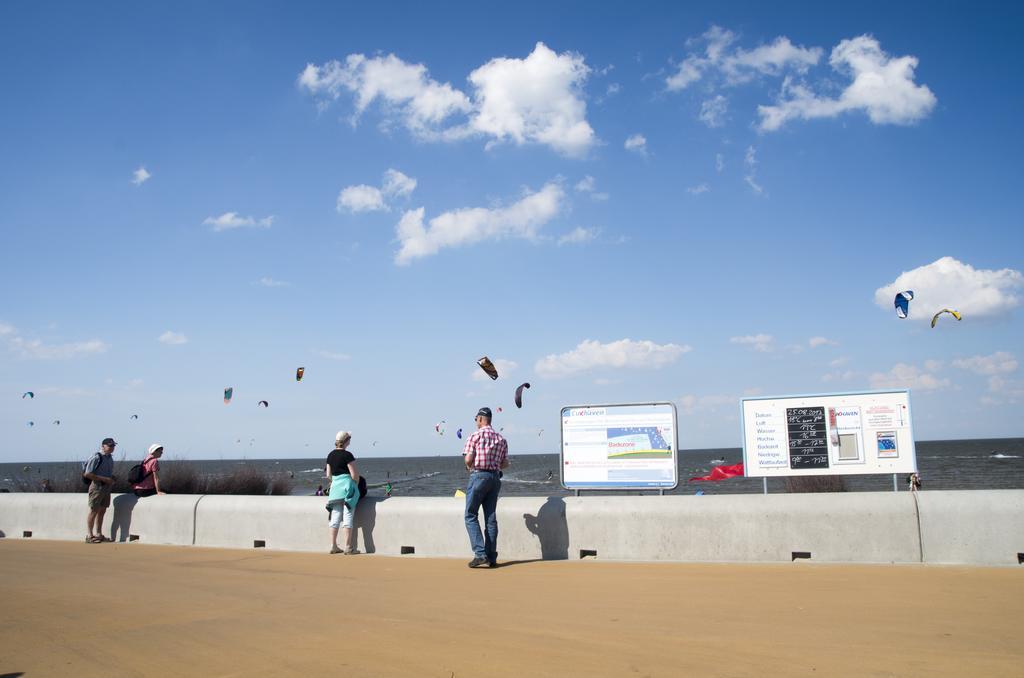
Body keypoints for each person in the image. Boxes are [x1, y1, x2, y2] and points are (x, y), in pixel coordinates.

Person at [462, 406, 509, 569]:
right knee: (490, 518)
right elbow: (505, 463)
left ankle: (480, 554)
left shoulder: (474, 436)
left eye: (476, 419)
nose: (476, 422)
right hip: (495, 478)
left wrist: (469, 465)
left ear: (481, 419)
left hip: (479, 476)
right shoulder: (501, 438)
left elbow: (468, 460)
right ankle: (491, 556)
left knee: (470, 515)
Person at [325, 430, 360, 555]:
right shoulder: (347, 455)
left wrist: (335, 481)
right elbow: (354, 475)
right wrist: (355, 483)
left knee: (335, 518)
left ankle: (333, 545)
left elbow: (328, 475)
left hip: (335, 489)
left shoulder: (330, 455)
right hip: (347, 488)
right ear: (346, 441)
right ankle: (348, 547)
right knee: (348, 516)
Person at [82, 438, 117, 543]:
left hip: (106, 487)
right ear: (103, 446)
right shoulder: (96, 457)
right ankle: (89, 535)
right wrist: (104, 479)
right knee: (94, 510)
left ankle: (98, 534)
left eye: (113, 446)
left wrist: (111, 479)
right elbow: (87, 473)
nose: (112, 448)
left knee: (102, 510)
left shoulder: (110, 458)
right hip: (97, 487)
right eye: (109, 446)